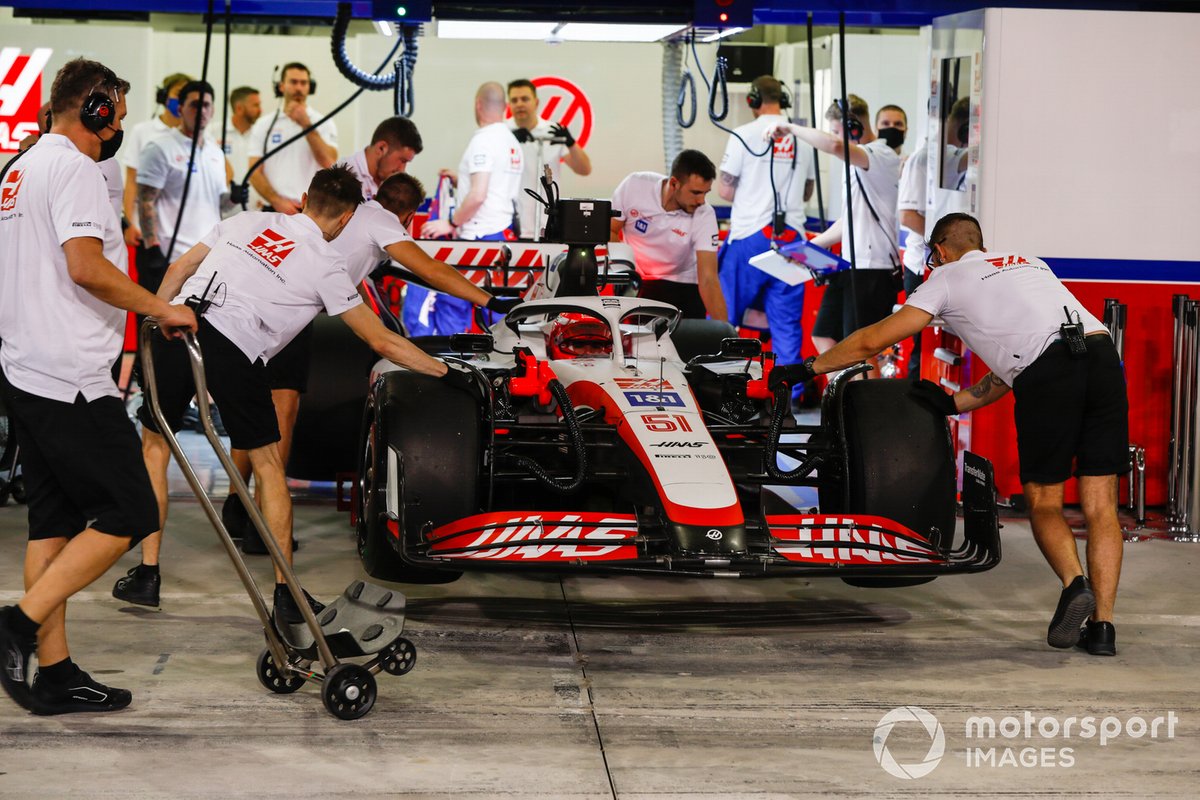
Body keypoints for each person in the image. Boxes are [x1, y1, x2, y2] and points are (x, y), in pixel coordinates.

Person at [769, 213, 1129, 656]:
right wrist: (953, 403)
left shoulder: (946, 279)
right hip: (1103, 357)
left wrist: (806, 368)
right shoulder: (1030, 264)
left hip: (1048, 374)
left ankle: (1076, 585)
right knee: (1101, 505)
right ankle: (1104, 630)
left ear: (938, 251)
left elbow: (871, 341)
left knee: (1045, 501)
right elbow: (1021, 361)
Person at [130, 166, 468, 623]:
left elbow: (177, 269)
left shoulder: (247, 220)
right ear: (347, 219)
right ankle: (286, 593)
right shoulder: (328, 266)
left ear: (304, 197)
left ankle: (146, 574)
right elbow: (382, 341)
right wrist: (447, 372)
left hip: (178, 327)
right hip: (236, 347)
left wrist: (155, 325)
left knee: (155, 447)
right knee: (268, 467)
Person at [0, 58, 198, 716]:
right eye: (112, 106)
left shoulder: (20, 167)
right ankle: (17, 625)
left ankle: (52, 674)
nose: (116, 120)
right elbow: (86, 268)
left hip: (25, 365)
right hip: (70, 375)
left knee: (52, 523)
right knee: (132, 513)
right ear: (95, 109)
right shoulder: (77, 170)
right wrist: (158, 307)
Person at [218, 171, 521, 554]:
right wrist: (490, 301)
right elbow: (430, 270)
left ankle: (234, 500)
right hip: (285, 313)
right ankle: (264, 522)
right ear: (409, 215)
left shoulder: (353, 215)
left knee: (256, 403)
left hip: (254, 304)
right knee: (280, 410)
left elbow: (353, 274)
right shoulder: (383, 222)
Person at [768, 95, 901, 361]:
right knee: (824, 335)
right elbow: (850, 220)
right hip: (852, 265)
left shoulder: (880, 154)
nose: (834, 138)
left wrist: (791, 128)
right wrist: (806, 248)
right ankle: (842, 396)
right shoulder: (856, 163)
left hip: (873, 269)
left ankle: (866, 402)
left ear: (854, 127)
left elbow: (832, 145)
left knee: (861, 350)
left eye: (837, 130)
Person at [717, 75, 815, 372]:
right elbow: (808, 191)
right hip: (794, 240)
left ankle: (718, 390)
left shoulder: (742, 134)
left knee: (725, 319)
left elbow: (724, 190)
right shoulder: (804, 138)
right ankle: (787, 400)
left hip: (749, 235)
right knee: (785, 325)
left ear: (753, 101)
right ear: (783, 100)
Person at [417, 82, 523, 336]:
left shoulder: (483, 141)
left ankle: (450, 367)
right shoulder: (511, 142)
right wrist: (460, 180)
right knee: (499, 311)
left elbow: (478, 195)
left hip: (477, 238)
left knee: (452, 302)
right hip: (501, 236)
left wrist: (450, 222)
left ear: (478, 105)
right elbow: (492, 186)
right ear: (505, 108)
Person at [135, 80, 232, 292]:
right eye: (194, 105)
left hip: (207, 259)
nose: (201, 111)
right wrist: (152, 248)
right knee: (159, 322)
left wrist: (234, 197)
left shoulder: (215, 152)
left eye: (206, 105)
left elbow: (220, 204)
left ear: (213, 109)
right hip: (170, 258)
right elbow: (145, 200)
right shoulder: (160, 147)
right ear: (180, 109)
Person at [610, 150, 725, 321]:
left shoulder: (705, 213)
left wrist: (727, 334)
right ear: (674, 183)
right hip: (639, 282)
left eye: (705, 193)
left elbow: (708, 278)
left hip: (684, 282)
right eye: (695, 192)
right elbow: (610, 230)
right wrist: (623, 274)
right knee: (637, 345)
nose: (701, 200)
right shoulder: (634, 185)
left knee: (690, 344)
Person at [506, 78, 592, 239]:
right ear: (508, 104)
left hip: (547, 223)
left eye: (525, 99)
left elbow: (584, 169)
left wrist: (571, 142)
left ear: (536, 102)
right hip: (511, 224)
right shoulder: (502, 132)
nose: (519, 104)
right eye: (514, 100)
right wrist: (508, 140)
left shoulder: (552, 132)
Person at [247, 63, 337, 215]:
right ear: (281, 86)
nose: (299, 88)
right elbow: (254, 171)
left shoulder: (323, 122)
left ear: (310, 87)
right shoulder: (264, 124)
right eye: (293, 82)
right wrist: (276, 200)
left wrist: (306, 124)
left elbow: (329, 162)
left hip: (311, 210)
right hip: (273, 208)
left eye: (304, 83)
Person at [120, 72, 192, 251]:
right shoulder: (143, 131)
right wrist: (128, 222)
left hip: (185, 232)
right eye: (178, 93)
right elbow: (131, 180)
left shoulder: (196, 135)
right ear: (164, 96)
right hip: (148, 230)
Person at [896, 140, 928, 380]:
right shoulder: (921, 158)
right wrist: (947, 243)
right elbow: (907, 217)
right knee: (921, 343)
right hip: (920, 266)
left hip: (940, 265)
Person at [340, 115, 422, 201]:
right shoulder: (343, 177)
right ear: (381, 148)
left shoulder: (391, 181)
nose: (402, 170)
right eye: (402, 160)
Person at [221, 86, 264, 211]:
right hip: (223, 212)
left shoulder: (262, 134)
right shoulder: (214, 133)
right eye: (255, 105)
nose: (260, 110)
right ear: (239, 108)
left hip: (255, 212)